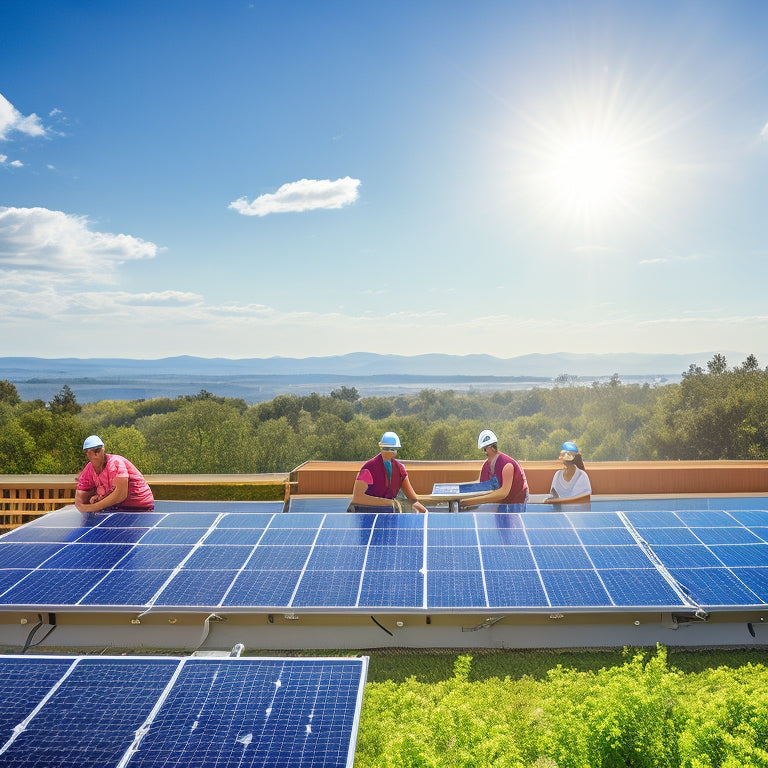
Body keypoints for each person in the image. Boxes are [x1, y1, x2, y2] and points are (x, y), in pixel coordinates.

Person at [350, 431, 427, 513]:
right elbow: (357, 499)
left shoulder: (400, 469)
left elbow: (413, 500)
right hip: (366, 514)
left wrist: (425, 513)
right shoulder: (368, 469)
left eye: (391, 449)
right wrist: (391, 503)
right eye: (386, 449)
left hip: (390, 515)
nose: (390, 452)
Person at [75, 435, 154, 512]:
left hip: (140, 506)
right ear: (87, 454)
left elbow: (120, 495)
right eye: (94, 451)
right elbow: (80, 502)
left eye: (98, 450)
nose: (97, 454)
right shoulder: (88, 469)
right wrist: (99, 498)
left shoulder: (115, 463)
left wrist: (93, 507)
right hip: (117, 508)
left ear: (103, 449)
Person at [460, 429, 528, 509]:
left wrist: (470, 501)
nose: (485, 452)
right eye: (484, 449)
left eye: (486, 449)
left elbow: (503, 493)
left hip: (517, 500)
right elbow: (483, 486)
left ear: (492, 447)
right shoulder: (486, 466)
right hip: (500, 503)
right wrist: (462, 490)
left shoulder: (507, 465)